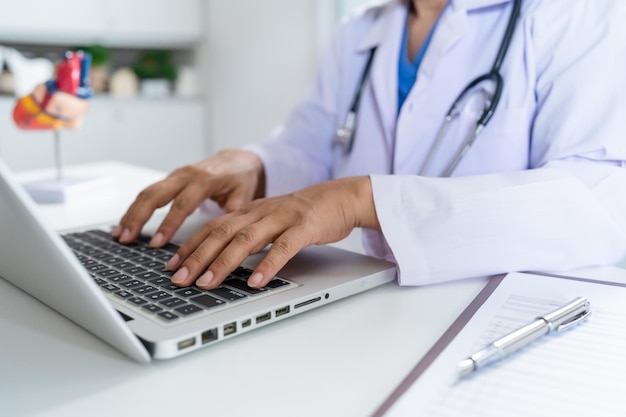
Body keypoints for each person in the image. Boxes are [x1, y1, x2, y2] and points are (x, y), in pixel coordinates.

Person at [113, 0, 626, 291]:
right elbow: (312, 145)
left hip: (505, 307)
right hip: (370, 299)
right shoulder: (361, 29)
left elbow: (600, 200)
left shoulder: (578, 15)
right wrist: (255, 165)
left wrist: (365, 200)